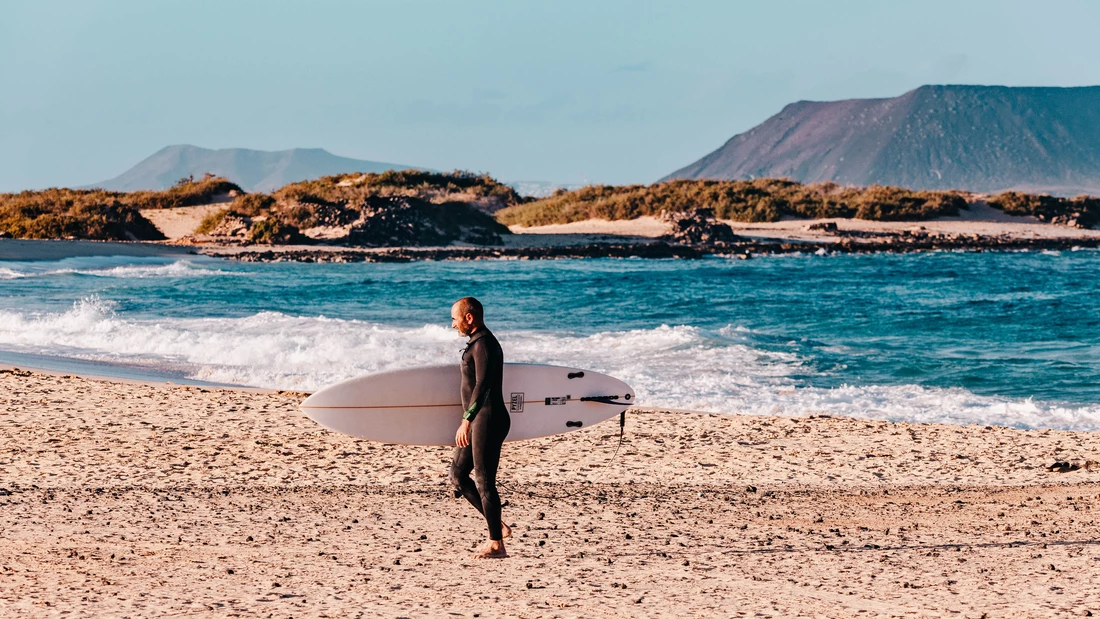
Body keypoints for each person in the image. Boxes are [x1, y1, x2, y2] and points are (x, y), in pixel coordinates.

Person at [449, 296, 512, 559]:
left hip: (488, 419)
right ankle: (497, 525)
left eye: (455, 318)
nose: (453, 325)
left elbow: (483, 386)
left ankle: (496, 544)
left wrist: (467, 419)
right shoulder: (476, 344)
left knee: (485, 482)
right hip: (479, 420)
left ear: (469, 317)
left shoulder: (484, 344)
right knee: (458, 475)